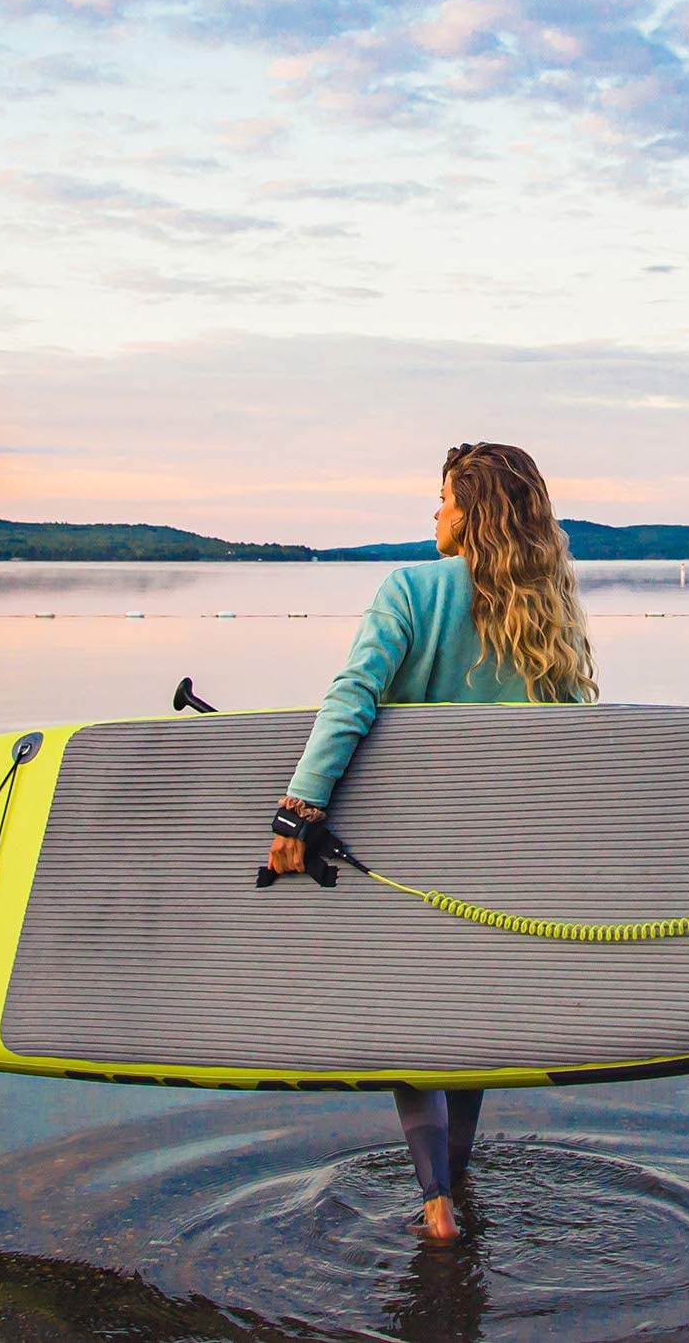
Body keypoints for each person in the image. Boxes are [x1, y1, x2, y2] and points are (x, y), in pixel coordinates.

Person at [267, 442, 598, 1242]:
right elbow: (565, 759)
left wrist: (299, 807)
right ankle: (458, 1179)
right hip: (496, 867)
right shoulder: (546, 619)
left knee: (405, 1018)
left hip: (404, 855)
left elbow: (354, 695)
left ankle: (435, 1204)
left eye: (445, 498)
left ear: (472, 512)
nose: (435, 512)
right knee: (470, 1019)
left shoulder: (410, 590)